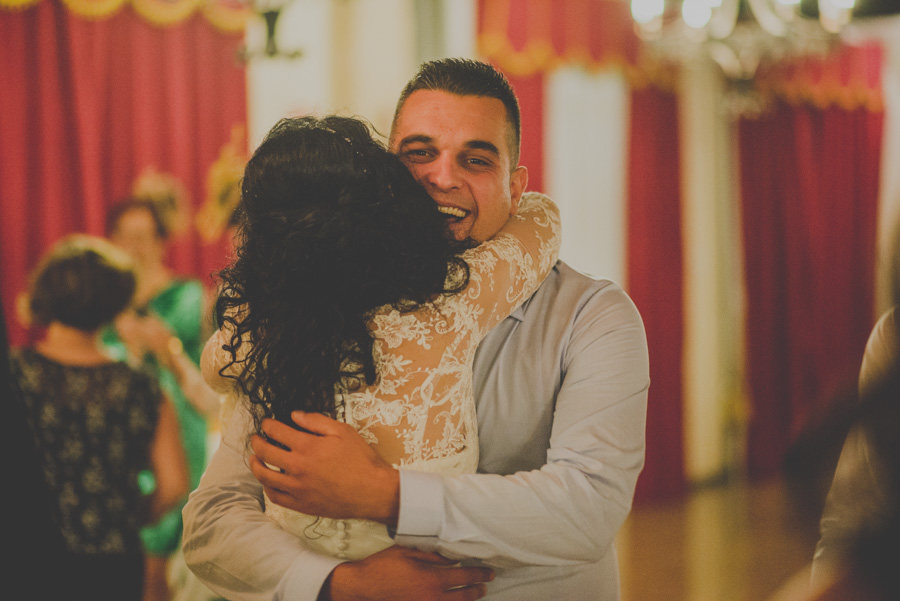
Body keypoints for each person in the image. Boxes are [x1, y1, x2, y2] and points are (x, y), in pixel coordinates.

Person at [183, 58, 649, 601]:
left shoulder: (591, 316)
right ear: (385, 173)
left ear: (515, 186)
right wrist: (340, 584)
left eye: (475, 159)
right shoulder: (316, 305)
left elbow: (587, 508)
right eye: (419, 153)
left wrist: (386, 494)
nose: (442, 177)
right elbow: (213, 519)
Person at [9, 234, 189, 601]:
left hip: (23, 555)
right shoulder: (144, 388)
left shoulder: (13, 374)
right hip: (113, 560)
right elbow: (173, 483)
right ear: (115, 302)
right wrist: (128, 514)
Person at [104, 184, 217, 601]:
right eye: (124, 235)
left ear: (160, 241)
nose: (133, 246)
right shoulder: (100, 303)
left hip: (174, 426)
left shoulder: (186, 296)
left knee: (161, 537)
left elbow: (205, 376)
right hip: (114, 432)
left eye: (142, 236)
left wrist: (162, 346)